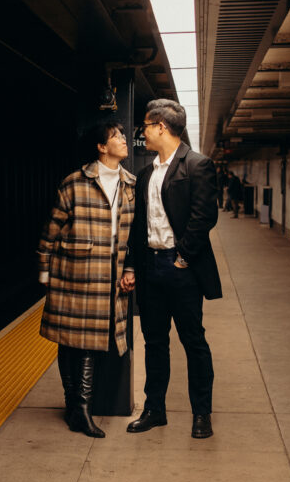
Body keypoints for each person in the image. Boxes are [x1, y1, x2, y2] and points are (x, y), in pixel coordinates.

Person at [121, 99, 222, 439]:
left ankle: (202, 414)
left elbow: (204, 216)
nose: (142, 132)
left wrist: (183, 258)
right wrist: (133, 265)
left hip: (182, 269)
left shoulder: (197, 165)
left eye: (146, 126)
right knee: (154, 342)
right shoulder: (146, 173)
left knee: (193, 341)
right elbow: (138, 226)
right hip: (150, 268)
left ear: (161, 126)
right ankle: (155, 410)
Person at [38, 122, 136, 438]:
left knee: (87, 342)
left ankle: (76, 409)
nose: (123, 140)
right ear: (101, 147)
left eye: (122, 136)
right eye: (116, 136)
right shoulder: (75, 183)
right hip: (75, 275)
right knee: (76, 342)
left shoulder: (130, 185)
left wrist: (130, 269)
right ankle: (79, 410)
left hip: (109, 278)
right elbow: (52, 229)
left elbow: (135, 234)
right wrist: (44, 267)